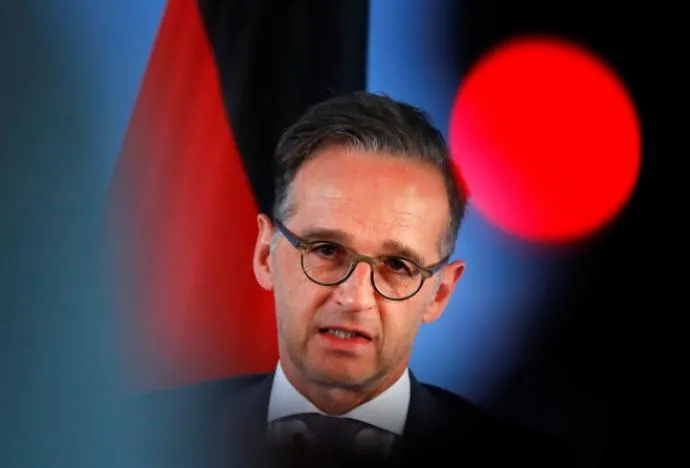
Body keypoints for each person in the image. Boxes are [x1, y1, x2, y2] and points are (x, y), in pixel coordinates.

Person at [138, 91, 576, 468]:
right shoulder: (139, 443)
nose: (354, 298)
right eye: (327, 250)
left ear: (440, 293)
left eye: (397, 265)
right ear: (265, 255)